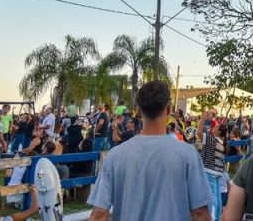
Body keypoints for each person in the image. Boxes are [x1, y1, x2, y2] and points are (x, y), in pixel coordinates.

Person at [87, 81, 211, 220]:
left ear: (138, 110)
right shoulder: (188, 155)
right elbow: (201, 213)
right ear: (169, 110)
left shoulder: (115, 155)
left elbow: (99, 213)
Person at [200, 123, 227, 221]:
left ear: (219, 131)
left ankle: (212, 217)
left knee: (212, 196)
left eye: (216, 127)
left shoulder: (212, 140)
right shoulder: (222, 143)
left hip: (210, 171)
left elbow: (198, 132)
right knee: (218, 195)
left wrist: (203, 118)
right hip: (218, 172)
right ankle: (218, 217)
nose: (213, 127)